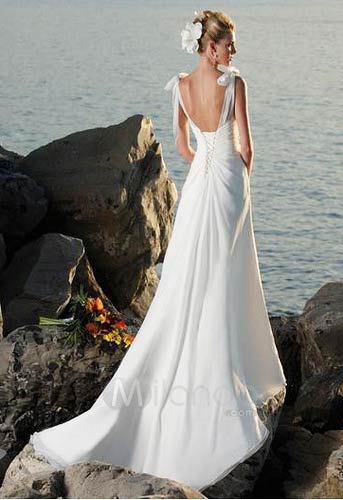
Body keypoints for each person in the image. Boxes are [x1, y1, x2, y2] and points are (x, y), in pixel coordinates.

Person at [29, 9, 287, 493]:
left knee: (189, 276)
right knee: (229, 272)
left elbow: (184, 146)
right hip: (230, 185)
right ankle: (233, 367)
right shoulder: (236, 85)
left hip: (198, 188)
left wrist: (208, 161)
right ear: (210, 47)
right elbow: (247, 147)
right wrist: (236, 173)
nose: (233, 52)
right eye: (229, 44)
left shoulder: (182, 86)